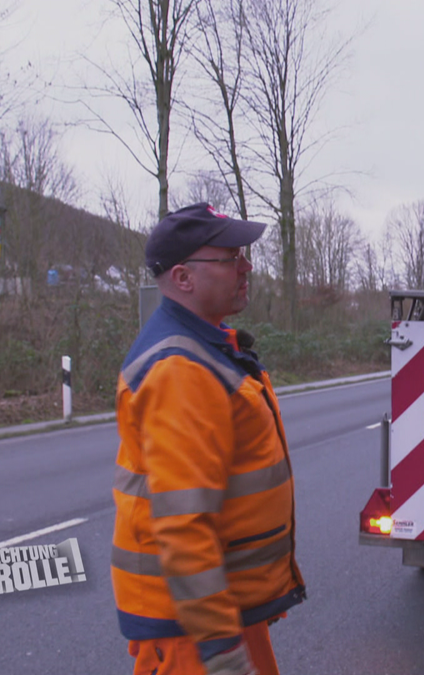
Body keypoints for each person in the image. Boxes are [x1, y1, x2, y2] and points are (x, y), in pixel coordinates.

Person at [112, 203, 305, 675]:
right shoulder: (180, 370)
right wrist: (220, 651)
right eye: (231, 257)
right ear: (183, 278)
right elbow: (182, 523)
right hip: (191, 635)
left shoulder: (208, 347)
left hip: (216, 616)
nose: (247, 267)